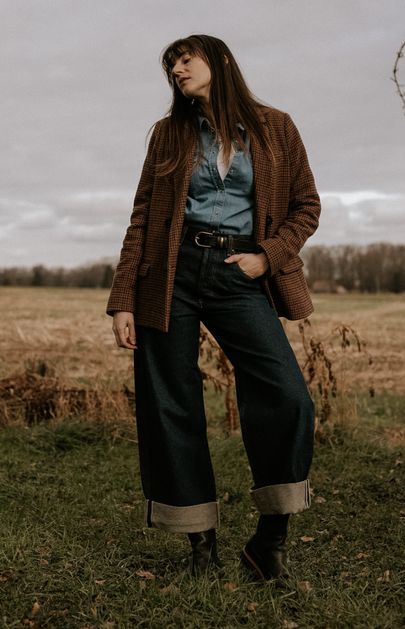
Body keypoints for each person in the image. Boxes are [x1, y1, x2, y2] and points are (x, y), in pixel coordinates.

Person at [106, 34, 321, 581]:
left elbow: (306, 206)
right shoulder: (169, 132)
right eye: (170, 65)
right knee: (171, 402)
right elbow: (144, 215)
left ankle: (270, 538)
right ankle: (200, 545)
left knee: (286, 394)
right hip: (171, 272)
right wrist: (123, 299)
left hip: (239, 273)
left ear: (219, 60)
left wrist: (266, 257)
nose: (176, 70)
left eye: (185, 59)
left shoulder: (276, 126)